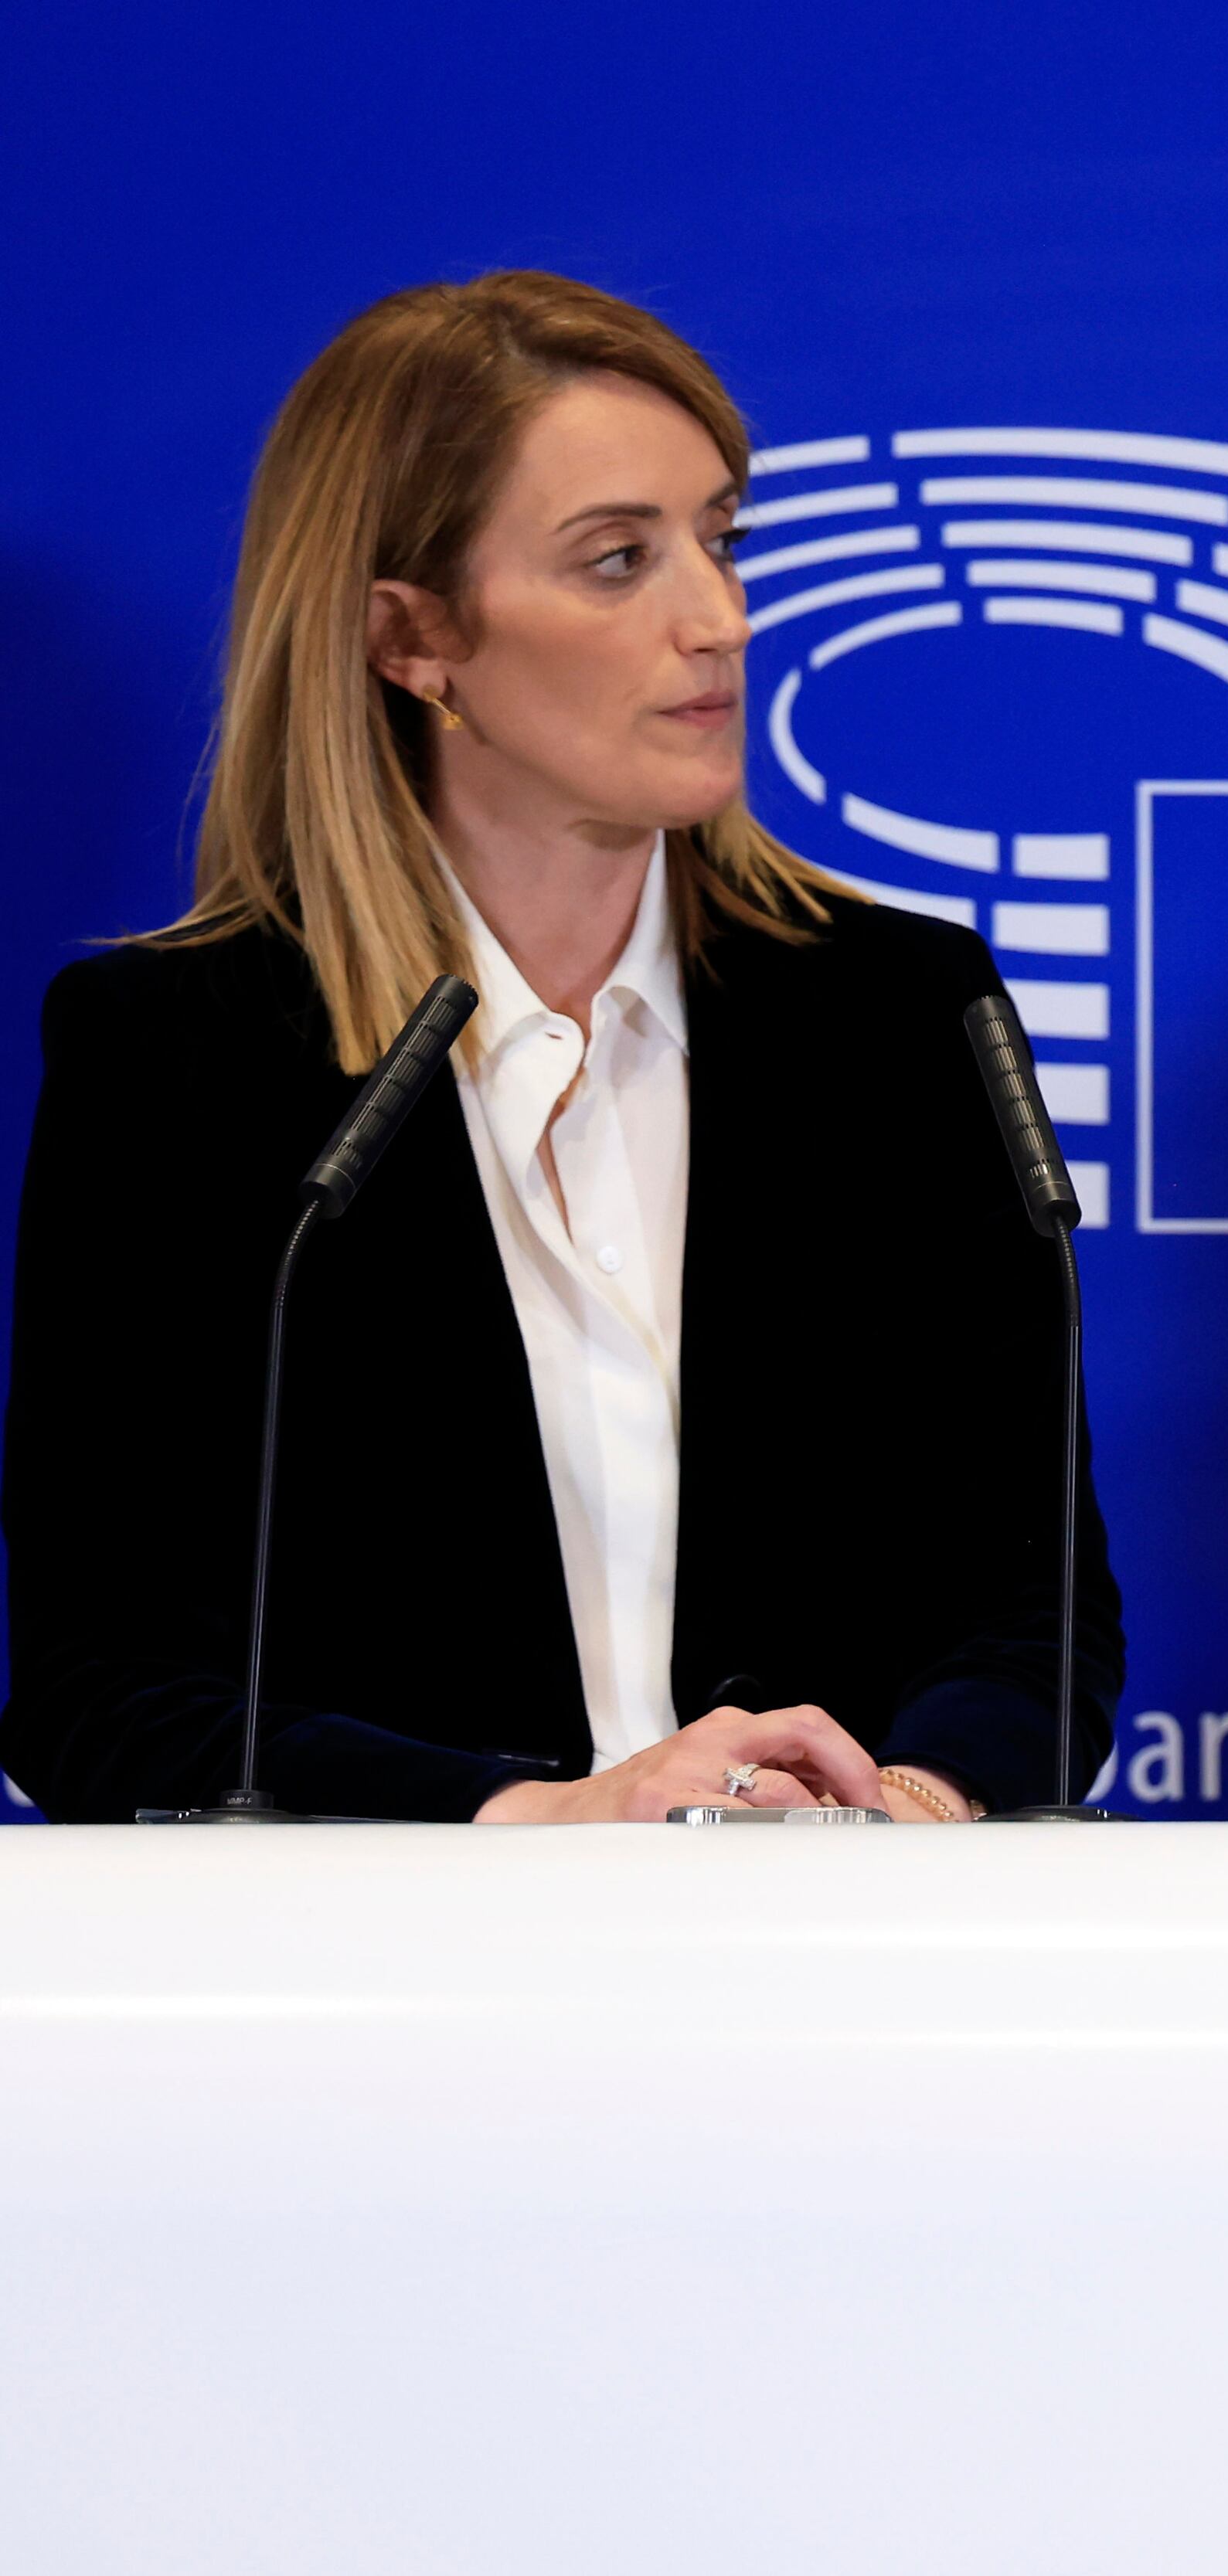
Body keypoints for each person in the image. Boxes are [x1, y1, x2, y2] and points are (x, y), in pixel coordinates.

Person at [0, 272, 1120, 1823]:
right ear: (414, 637)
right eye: (617, 561)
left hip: (849, 1989)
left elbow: (1038, 1610)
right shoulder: (185, 1058)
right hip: (392, 2012)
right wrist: (542, 1821)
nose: (717, 618)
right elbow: (102, 1696)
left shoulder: (899, 1015)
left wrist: (907, 1808)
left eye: (722, 542)